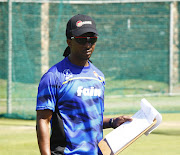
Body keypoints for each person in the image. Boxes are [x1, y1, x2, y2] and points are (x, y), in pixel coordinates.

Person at [36, 14, 133, 155]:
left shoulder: (98, 76)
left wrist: (112, 122)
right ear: (69, 42)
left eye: (92, 39)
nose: (88, 45)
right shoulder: (53, 76)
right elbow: (43, 120)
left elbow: (91, 118)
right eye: (82, 40)